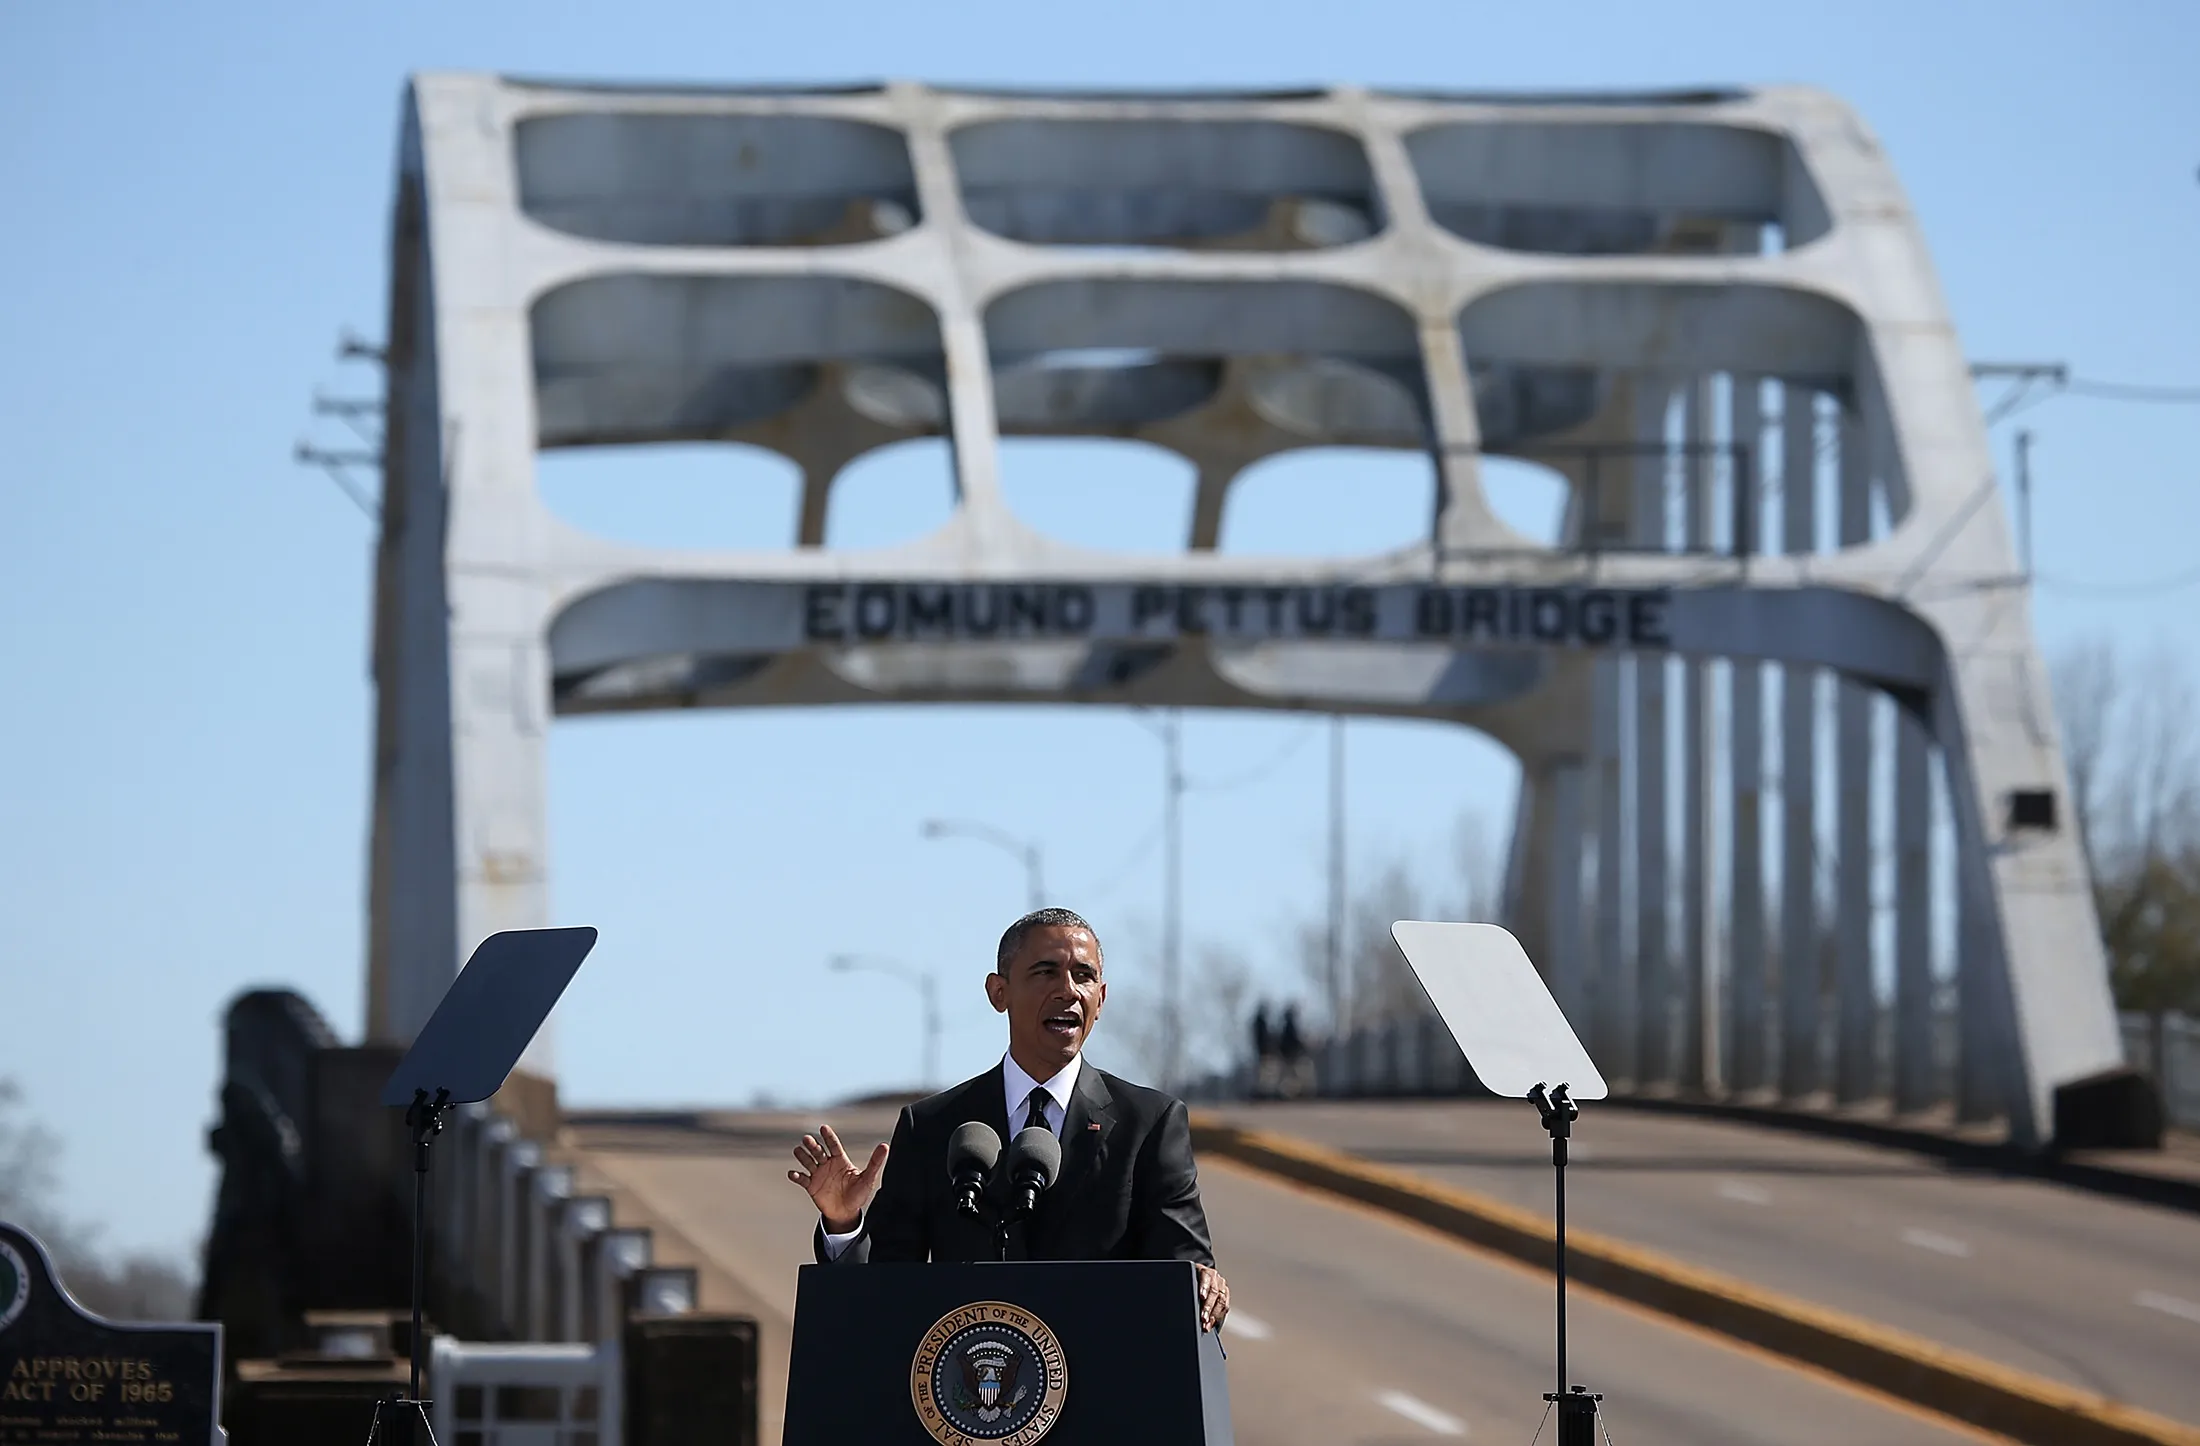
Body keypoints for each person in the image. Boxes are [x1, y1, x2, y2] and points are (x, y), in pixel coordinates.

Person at [788, 907, 1230, 1331]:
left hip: (1107, 1384)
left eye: (1084, 976)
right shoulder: (932, 1127)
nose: (1068, 990)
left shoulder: (1150, 1123)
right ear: (999, 992)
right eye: (1046, 972)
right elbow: (885, 1286)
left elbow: (1185, 1271)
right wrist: (844, 1224)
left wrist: (1205, 1285)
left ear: (1102, 997)